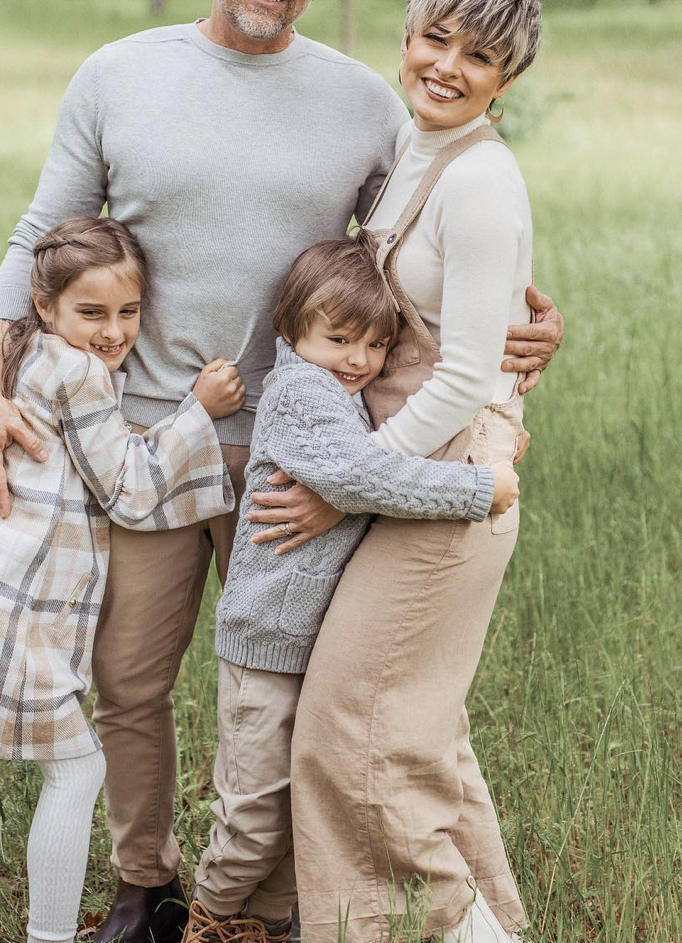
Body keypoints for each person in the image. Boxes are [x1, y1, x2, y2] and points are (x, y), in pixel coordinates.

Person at [0, 0, 564, 943]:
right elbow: (38, 236)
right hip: (142, 443)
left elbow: (441, 253)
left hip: (308, 453)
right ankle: (146, 884)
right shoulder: (117, 74)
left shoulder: (369, 103)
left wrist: (529, 337)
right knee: (131, 684)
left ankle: (284, 898)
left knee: (310, 692)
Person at [0, 217, 243, 943]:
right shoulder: (81, 375)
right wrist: (199, 412)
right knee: (76, 775)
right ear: (45, 306)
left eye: (128, 313)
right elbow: (130, 489)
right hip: (16, 610)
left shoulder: (27, 354)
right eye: (92, 313)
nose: (113, 332)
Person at [287, 0, 541, 942]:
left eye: (477, 55)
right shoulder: (415, 147)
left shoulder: (481, 181)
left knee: (349, 735)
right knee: (421, 735)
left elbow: (470, 370)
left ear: (505, 81)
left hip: (447, 480)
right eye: (435, 37)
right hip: (412, 471)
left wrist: (351, 482)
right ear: (407, 36)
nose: (446, 64)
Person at [183, 233, 520, 943]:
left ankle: (266, 923)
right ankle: (210, 914)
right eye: (338, 338)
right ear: (291, 330)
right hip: (268, 645)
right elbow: (358, 476)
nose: (358, 361)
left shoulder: (342, 387)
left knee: (299, 805)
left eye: (373, 345)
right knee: (253, 812)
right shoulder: (303, 392)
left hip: (315, 642)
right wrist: (477, 486)